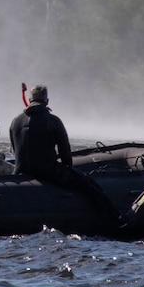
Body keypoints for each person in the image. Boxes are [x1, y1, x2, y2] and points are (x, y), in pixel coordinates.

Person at [9, 85, 128, 223]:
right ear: (47, 101)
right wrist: (67, 169)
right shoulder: (53, 120)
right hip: (47, 171)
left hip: (21, 170)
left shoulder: (15, 121)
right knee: (89, 184)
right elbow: (65, 153)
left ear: (30, 99)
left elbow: (15, 149)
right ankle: (117, 219)